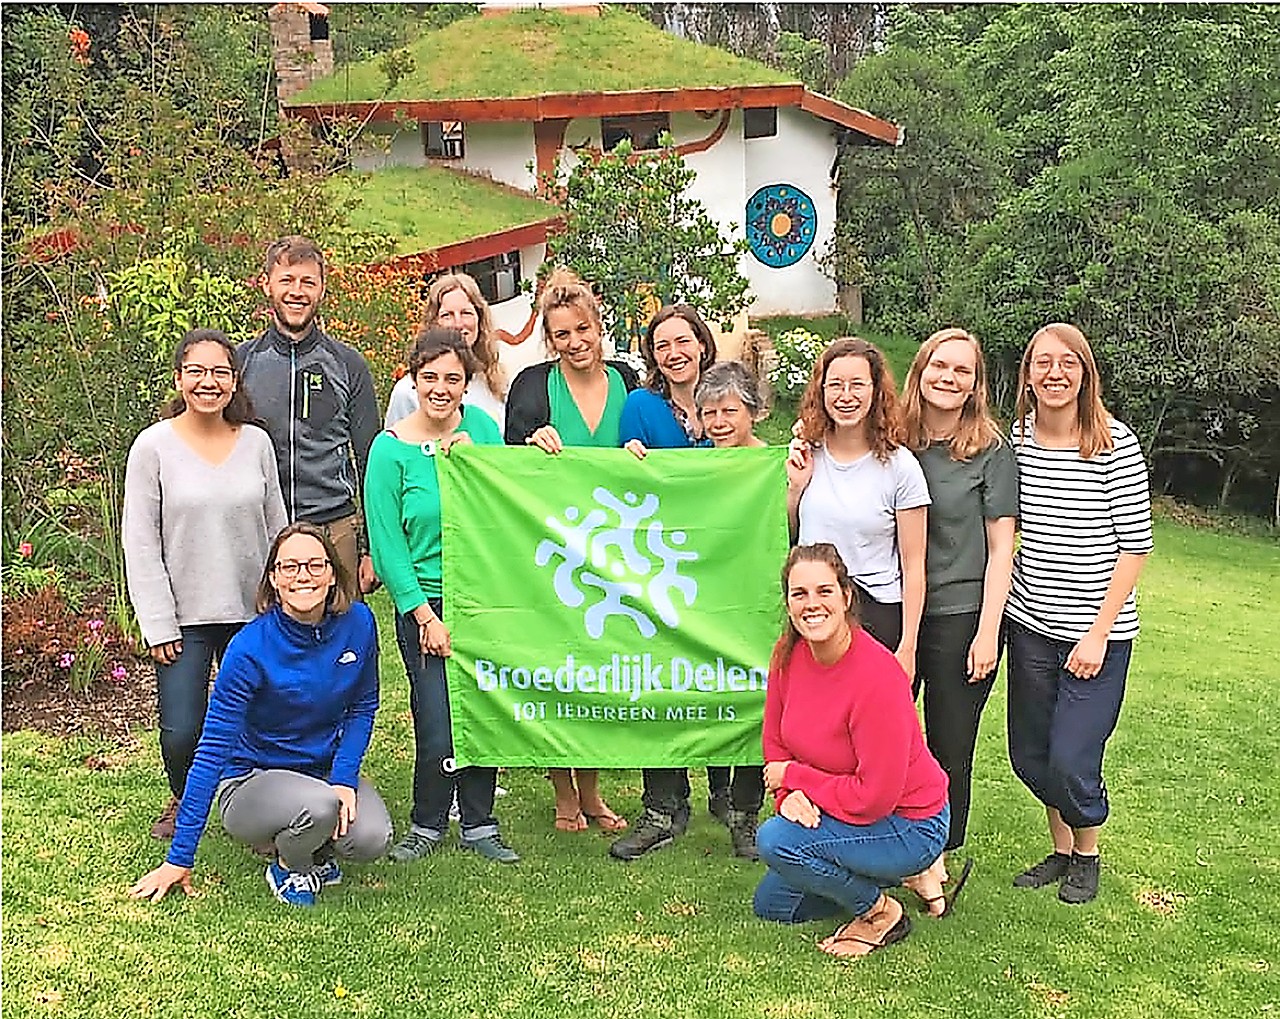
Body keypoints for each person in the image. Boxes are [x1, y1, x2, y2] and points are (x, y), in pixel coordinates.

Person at [128, 523, 392, 908]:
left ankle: (312, 845)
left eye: (315, 565)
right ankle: (289, 863)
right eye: (290, 567)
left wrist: (344, 776)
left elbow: (363, 706)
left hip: (319, 771)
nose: (303, 575)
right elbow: (212, 750)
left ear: (333, 574)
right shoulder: (249, 648)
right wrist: (178, 858)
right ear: (273, 579)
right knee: (321, 807)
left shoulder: (359, 625)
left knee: (371, 837)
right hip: (253, 780)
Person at [1006, 323, 1152, 905]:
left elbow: (1133, 549)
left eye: (1068, 362)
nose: (1055, 372)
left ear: (1085, 372)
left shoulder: (1115, 443)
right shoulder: (1017, 440)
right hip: (1030, 626)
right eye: (1043, 362)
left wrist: (1096, 635)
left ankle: (1087, 853)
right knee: (1031, 753)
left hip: (1098, 636)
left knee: (1071, 756)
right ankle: (1062, 850)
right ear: (1028, 375)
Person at [123, 328, 287, 841]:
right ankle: (185, 798)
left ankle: (261, 802)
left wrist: (283, 603)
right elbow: (141, 541)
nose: (208, 382)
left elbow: (277, 526)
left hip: (251, 614)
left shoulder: (256, 443)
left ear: (234, 381)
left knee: (260, 719)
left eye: (220, 372)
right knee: (182, 730)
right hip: (183, 619)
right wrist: (157, 621)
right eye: (197, 371)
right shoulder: (154, 447)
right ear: (179, 379)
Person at [753, 544, 953, 958]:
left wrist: (796, 779)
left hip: (908, 821)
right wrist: (787, 796)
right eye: (799, 593)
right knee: (772, 905)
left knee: (777, 841)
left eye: (824, 591)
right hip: (841, 809)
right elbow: (775, 744)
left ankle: (881, 912)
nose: (812, 605)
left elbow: (874, 797)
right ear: (788, 602)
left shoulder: (878, 678)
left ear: (846, 597)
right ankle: (898, 878)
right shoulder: (786, 655)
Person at [365, 329, 519, 864]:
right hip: (425, 604)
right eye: (429, 377)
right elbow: (387, 545)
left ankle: (480, 821)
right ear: (413, 380)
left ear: (466, 383)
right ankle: (427, 821)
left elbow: (510, 503)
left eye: (452, 378)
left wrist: (481, 460)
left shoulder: (482, 429)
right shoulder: (389, 450)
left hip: (481, 600)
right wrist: (423, 615)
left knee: (482, 711)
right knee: (437, 720)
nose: (440, 388)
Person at [505, 267, 637, 833]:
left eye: (583, 329)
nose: (576, 342)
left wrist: (640, 448)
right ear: (549, 340)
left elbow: (657, 449)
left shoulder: (630, 381)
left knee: (602, 673)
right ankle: (563, 789)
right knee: (560, 671)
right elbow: (505, 469)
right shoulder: (532, 387)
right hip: (555, 553)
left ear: (598, 325)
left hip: (618, 549)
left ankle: (593, 789)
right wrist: (533, 444)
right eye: (562, 334)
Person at [899, 328, 1017, 891]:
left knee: (948, 744)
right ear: (920, 370)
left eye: (961, 371)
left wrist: (988, 631)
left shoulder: (990, 450)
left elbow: (1002, 550)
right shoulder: (893, 436)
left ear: (975, 385)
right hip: (895, 613)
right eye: (939, 366)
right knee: (885, 733)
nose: (948, 378)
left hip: (960, 615)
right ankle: (881, 839)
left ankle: (937, 857)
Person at [610, 305, 717, 861]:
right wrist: (631, 460)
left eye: (683, 341)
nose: (673, 353)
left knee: (722, 675)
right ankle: (663, 803)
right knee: (660, 679)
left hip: (721, 562)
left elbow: (748, 461)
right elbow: (626, 484)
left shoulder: (727, 394)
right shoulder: (640, 406)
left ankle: (732, 800)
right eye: (661, 345)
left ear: (702, 343)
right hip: (660, 565)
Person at [236, 235, 380, 592]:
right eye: (287, 280)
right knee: (270, 638)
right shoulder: (240, 363)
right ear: (266, 283)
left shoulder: (348, 365)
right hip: (262, 530)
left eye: (307, 282)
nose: (297, 291)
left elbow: (370, 462)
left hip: (336, 528)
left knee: (342, 637)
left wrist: (372, 549)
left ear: (322, 289)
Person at [786, 338, 929, 681]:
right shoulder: (806, 455)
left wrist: (908, 645)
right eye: (835, 385)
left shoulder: (901, 467)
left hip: (876, 615)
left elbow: (913, 564)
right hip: (814, 611)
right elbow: (789, 535)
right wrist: (796, 487)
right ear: (820, 391)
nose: (845, 396)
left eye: (857, 385)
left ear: (875, 390)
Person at [698, 361, 768, 860]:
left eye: (729, 410)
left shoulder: (777, 464)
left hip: (759, 602)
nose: (719, 422)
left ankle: (746, 813)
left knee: (756, 705)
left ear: (753, 412)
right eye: (709, 413)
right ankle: (676, 805)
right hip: (708, 603)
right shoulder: (693, 464)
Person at [384, 272, 508, 430]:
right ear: (433, 323)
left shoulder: (496, 380)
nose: (458, 323)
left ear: (480, 318)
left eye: (466, 313)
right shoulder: (407, 392)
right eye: (447, 315)